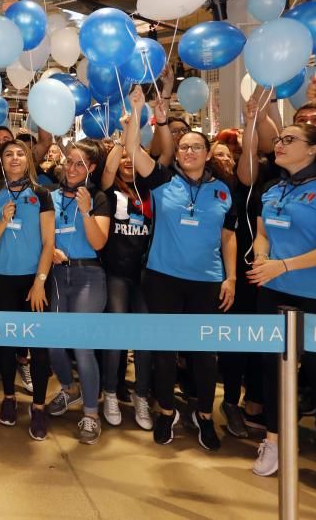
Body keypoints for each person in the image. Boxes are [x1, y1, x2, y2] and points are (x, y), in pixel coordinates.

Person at [123, 87, 236, 452]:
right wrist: (139, 109)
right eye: (182, 146)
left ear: (207, 153)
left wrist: (231, 276)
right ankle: (167, 410)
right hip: (162, 279)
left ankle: (205, 415)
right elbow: (132, 152)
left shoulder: (223, 189)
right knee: (165, 351)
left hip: (206, 282)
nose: (187, 152)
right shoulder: (161, 180)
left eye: (195, 147)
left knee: (204, 354)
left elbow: (228, 238)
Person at [241, 119, 316, 496]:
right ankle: (275, 439)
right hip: (273, 290)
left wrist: (284, 265)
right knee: (271, 369)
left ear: (315, 149)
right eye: (279, 139)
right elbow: (263, 232)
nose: (280, 144)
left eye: (290, 139)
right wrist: (264, 258)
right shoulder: (272, 187)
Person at [0, 139, 55, 439]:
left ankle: (38, 407)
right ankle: (8, 398)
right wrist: (2, 220)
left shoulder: (41, 194)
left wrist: (40, 281)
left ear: (28, 160)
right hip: (1, 280)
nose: (14, 158)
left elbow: (49, 243)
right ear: (1, 160)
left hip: (33, 282)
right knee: (6, 346)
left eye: (20, 153)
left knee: (39, 346)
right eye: (8, 154)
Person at [44, 140, 111, 445]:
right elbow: (43, 236)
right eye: (68, 162)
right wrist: (51, 250)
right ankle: (70, 388)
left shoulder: (98, 198)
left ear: (92, 168)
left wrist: (85, 212)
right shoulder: (50, 196)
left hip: (88, 275)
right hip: (58, 273)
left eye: (79, 164)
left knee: (83, 346)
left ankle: (91, 413)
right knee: (54, 343)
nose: (71, 169)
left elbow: (99, 243)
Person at [98, 140, 153, 431]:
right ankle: (109, 392)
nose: (129, 161)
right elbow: (108, 169)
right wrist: (121, 142)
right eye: (124, 157)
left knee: (144, 336)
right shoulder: (110, 189)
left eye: (135, 155)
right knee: (116, 332)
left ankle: (141, 394)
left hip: (145, 273)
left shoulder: (152, 189)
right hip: (115, 271)